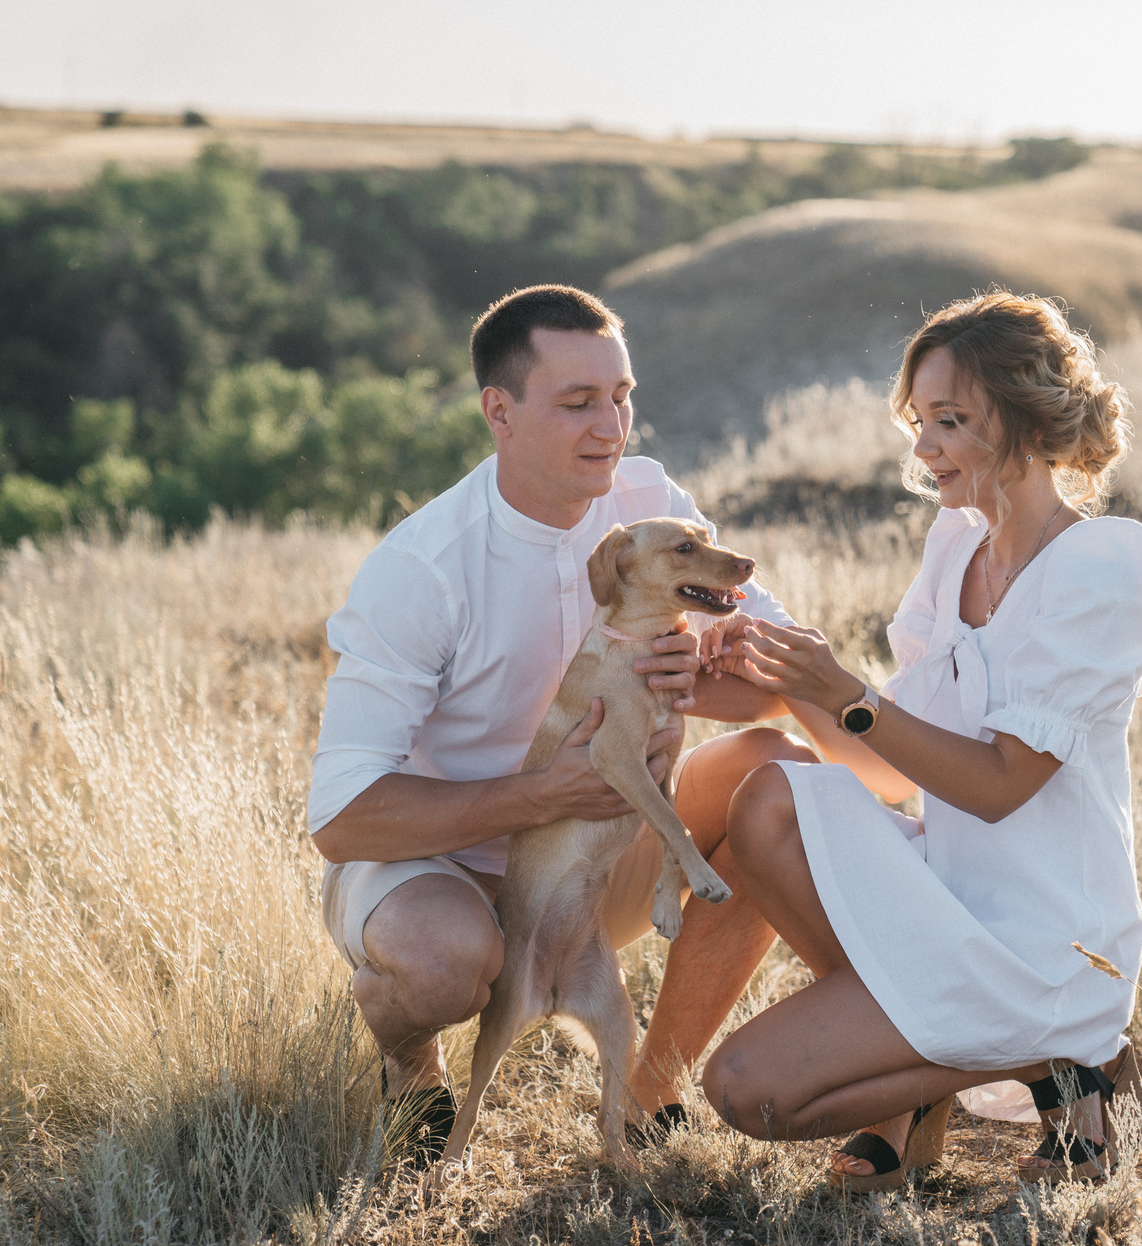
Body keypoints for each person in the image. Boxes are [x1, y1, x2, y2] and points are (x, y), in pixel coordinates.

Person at [307, 283, 877, 1157]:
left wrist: (693, 674)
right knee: (443, 965)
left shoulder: (647, 501)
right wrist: (539, 795)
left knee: (781, 769)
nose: (611, 427)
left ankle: (649, 1094)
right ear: (500, 410)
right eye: (578, 404)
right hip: (439, 870)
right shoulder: (423, 568)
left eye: (621, 398)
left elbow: (767, 684)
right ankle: (412, 1064)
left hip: (595, 851)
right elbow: (344, 821)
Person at [700, 291, 1142, 1188]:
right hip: (946, 909)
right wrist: (790, 684)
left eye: (950, 420)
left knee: (747, 1091)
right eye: (919, 421)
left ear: (1028, 421)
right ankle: (925, 1090)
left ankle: (1064, 1056)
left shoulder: (1102, 565)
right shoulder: (953, 546)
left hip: (1048, 945)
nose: (923, 448)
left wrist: (849, 691)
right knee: (767, 798)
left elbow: (996, 785)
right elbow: (882, 764)